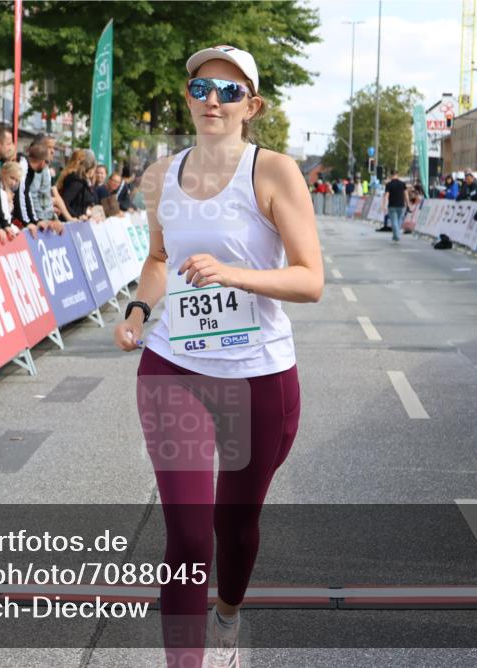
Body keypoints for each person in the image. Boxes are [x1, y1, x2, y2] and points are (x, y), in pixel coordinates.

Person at [112, 44, 323, 668]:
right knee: (186, 534)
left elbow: (310, 280)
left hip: (258, 375)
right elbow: (157, 261)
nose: (213, 100)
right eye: (203, 87)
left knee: (235, 527)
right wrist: (138, 312)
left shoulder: (274, 171)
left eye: (230, 92)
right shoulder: (159, 176)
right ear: (188, 96)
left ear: (250, 106)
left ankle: (227, 614)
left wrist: (233, 274)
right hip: (173, 368)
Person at [12, 144, 64, 233]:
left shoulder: (31, 171)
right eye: (47, 163)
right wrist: (27, 222)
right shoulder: (23, 166)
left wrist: (36, 221)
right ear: (42, 162)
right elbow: (20, 195)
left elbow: (28, 196)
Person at [57, 149, 99, 219]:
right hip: (72, 223)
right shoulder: (77, 182)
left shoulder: (83, 181)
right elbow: (64, 202)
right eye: (94, 168)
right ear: (90, 167)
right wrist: (76, 216)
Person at [29, 133, 57, 220]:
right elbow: (33, 195)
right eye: (49, 147)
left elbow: (47, 197)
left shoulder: (46, 167)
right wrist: (42, 219)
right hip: (40, 221)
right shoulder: (37, 168)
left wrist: (53, 217)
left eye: (54, 148)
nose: (52, 151)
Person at [383, 169, 408, 242]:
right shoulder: (403, 184)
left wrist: (384, 205)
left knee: (394, 222)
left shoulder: (388, 184)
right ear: (398, 175)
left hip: (392, 205)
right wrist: (408, 204)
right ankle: (396, 236)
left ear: (391, 175)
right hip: (401, 205)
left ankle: (396, 236)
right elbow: (406, 195)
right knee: (399, 221)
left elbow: (386, 195)